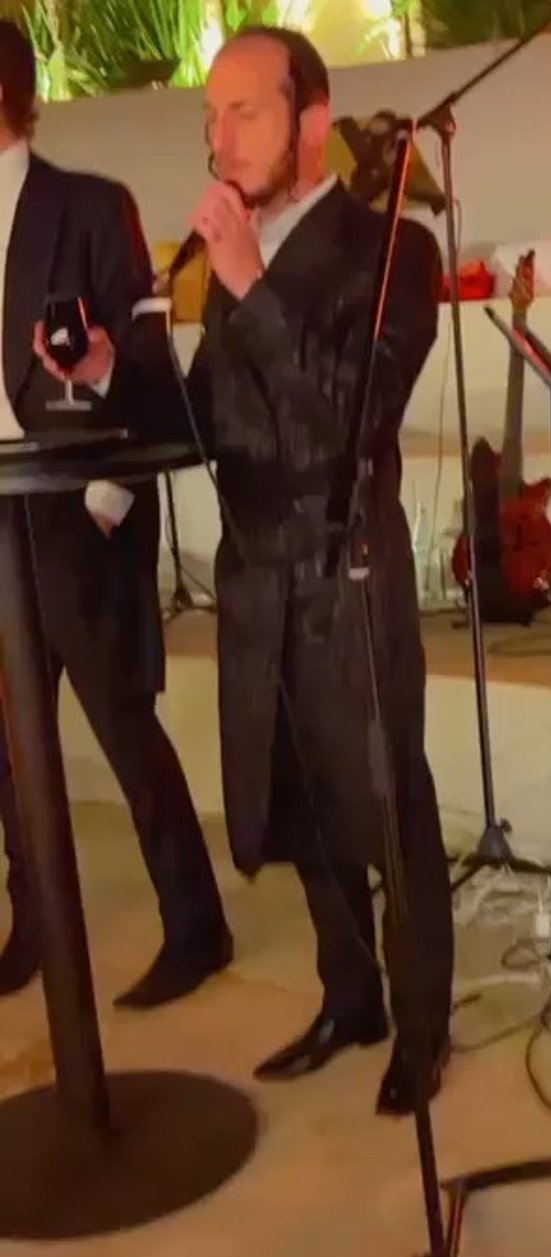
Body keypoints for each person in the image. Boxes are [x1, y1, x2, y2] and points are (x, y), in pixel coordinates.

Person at [38, 26, 455, 1115]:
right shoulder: (235, 268)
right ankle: (349, 997)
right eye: (210, 118)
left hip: (344, 568)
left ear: (313, 120)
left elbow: (349, 419)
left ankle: (421, 1025)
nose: (219, 140)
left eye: (245, 113)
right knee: (298, 802)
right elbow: (203, 420)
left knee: (385, 803)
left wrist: (249, 281)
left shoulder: (393, 250)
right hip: (255, 574)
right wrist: (106, 376)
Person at [0, 19, 231, 1008]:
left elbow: (140, 369)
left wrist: (106, 499)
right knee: (9, 746)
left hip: (69, 508)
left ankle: (196, 925)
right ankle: (37, 922)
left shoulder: (90, 208)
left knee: (122, 729)